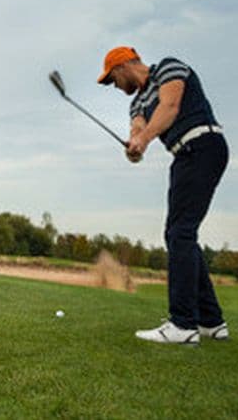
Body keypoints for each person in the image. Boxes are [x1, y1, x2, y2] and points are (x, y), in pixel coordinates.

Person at [97, 46, 229, 346]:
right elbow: (139, 128)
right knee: (181, 234)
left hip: (204, 145)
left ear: (121, 68)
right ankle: (211, 321)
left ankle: (183, 324)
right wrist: (135, 146)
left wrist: (143, 139)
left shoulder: (168, 68)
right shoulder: (138, 103)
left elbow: (169, 107)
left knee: (179, 233)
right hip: (184, 156)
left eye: (112, 80)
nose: (115, 87)